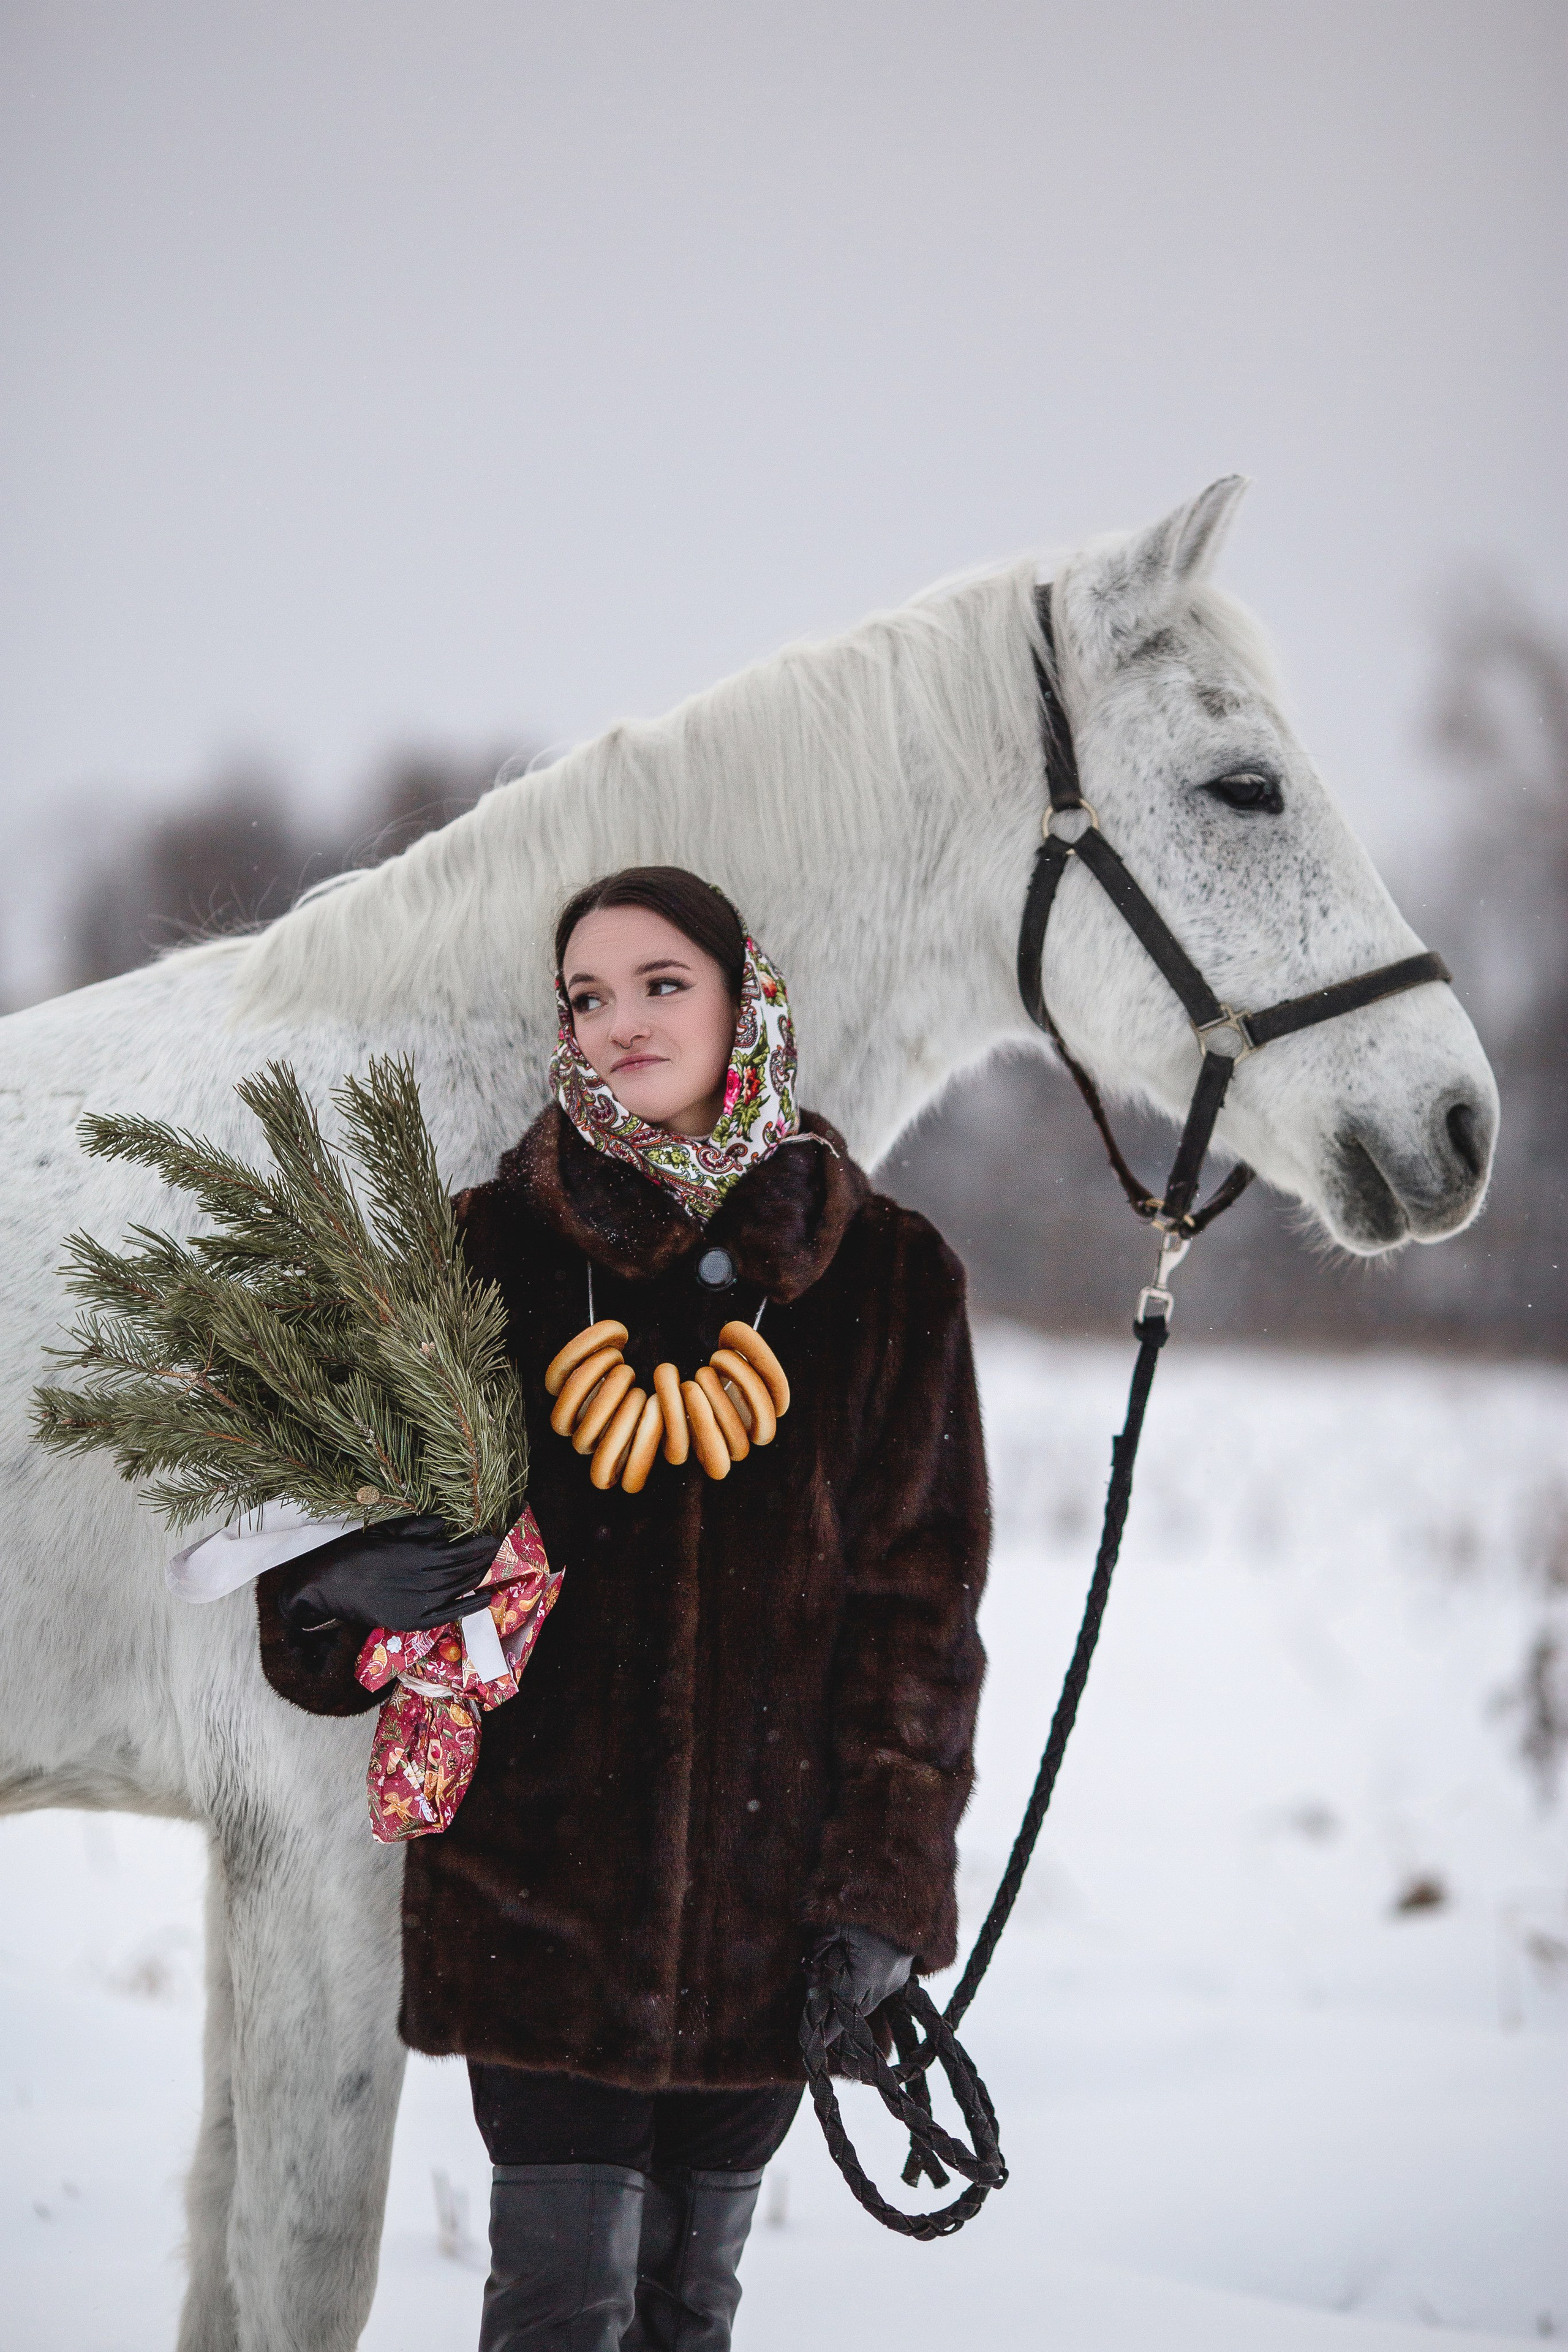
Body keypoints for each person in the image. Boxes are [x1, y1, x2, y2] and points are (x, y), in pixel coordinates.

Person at [255, 867, 990, 2351]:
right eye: (587, 996)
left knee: (687, 2306)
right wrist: (336, 1590)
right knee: (556, 2301)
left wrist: (882, 1895)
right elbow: (319, 1562)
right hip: (536, 1904)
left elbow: (920, 1622)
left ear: (743, 996)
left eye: (660, 983)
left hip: (772, 1920)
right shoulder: (484, 1254)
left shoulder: (888, 1276)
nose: (620, 1022)